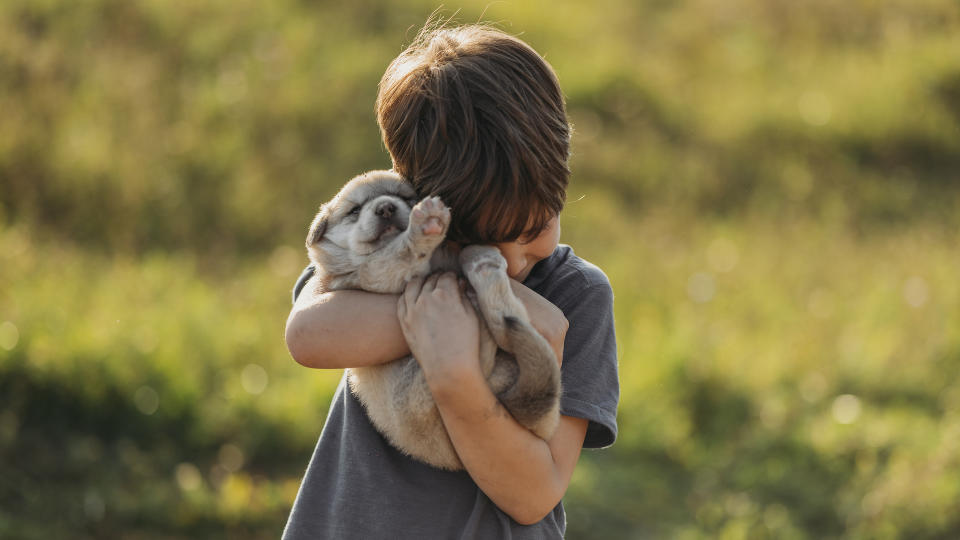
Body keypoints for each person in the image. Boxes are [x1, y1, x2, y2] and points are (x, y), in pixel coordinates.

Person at [282, 23, 618, 539]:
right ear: (422, 202)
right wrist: (490, 308)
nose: (510, 260)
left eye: (534, 228)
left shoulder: (578, 297)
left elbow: (534, 494)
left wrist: (456, 377)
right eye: (480, 236)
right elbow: (307, 336)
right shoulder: (385, 259)